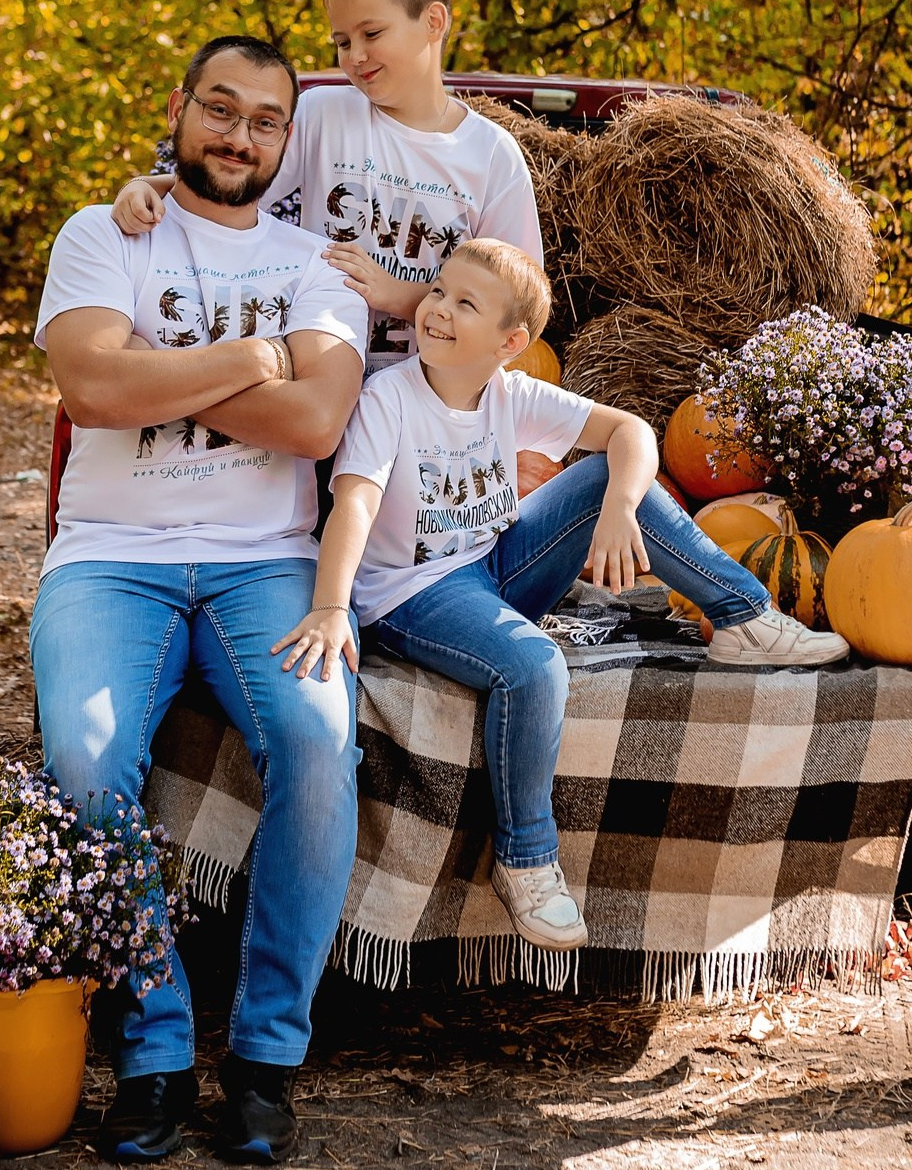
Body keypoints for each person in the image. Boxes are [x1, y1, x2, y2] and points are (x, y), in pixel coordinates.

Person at [274, 241, 851, 950]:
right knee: (535, 664)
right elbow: (355, 506)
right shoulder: (389, 400)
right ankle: (525, 862)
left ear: (510, 343)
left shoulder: (511, 393)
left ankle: (743, 617)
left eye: (465, 303)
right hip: (411, 595)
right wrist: (332, 604)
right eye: (437, 292)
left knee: (612, 479)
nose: (438, 310)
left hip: (492, 566)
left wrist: (618, 504)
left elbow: (632, 432)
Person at [31, 33, 370, 1166]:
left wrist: (159, 373)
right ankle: (157, 1044)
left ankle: (268, 1054)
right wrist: (256, 358)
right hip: (107, 558)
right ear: (178, 110)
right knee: (85, 761)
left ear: (286, 138)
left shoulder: (317, 266)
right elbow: (89, 383)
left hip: (265, 562)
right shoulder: (102, 232)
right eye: (218, 108)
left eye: (263, 118)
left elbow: (319, 426)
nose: (237, 133)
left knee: (321, 743)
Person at [113, 0, 543, 368]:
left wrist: (400, 295)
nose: (355, 56)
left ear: (433, 21)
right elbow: (231, 188)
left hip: (424, 400)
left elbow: (516, 307)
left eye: (372, 34)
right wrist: (145, 187)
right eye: (342, 41)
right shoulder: (324, 113)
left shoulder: (491, 157)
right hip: (317, 373)